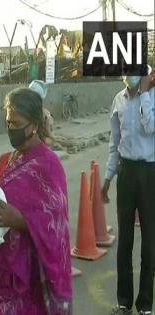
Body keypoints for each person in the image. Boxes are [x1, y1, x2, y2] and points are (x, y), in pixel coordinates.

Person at [0, 88, 72, 315]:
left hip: (32, 281)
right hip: (4, 278)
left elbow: (56, 226)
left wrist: (20, 221)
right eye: (8, 122)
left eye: (17, 123)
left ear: (34, 125)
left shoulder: (49, 166)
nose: (11, 129)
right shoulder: (9, 160)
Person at [102, 67, 155, 315]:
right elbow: (114, 143)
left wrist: (145, 93)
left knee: (149, 242)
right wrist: (108, 178)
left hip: (150, 172)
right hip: (126, 173)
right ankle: (124, 302)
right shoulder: (118, 100)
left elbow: (150, 126)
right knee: (125, 241)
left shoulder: (152, 96)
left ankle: (144, 305)